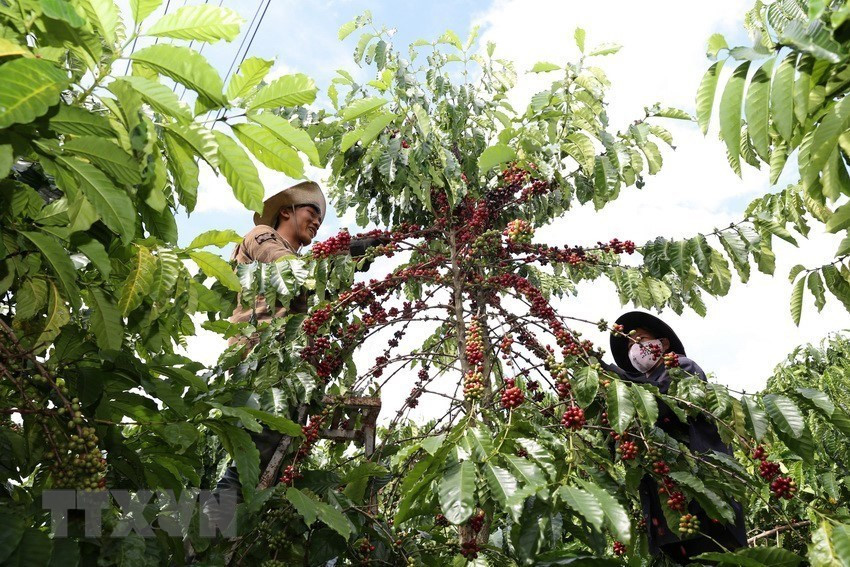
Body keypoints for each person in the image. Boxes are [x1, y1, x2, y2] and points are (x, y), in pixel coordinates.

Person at [210, 181, 381, 508]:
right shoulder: (261, 236)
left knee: (272, 464)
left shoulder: (306, 267)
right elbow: (290, 270)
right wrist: (348, 253)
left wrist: (352, 259)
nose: (317, 222)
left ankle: (227, 536)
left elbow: (315, 287)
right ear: (286, 211)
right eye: (311, 211)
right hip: (261, 361)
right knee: (252, 461)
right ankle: (205, 540)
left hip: (288, 369)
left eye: (320, 217)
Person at [602, 310, 747, 563]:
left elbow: (663, 402)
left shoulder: (680, 367)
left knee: (717, 554)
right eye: (629, 346)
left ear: (663, 343)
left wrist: (616, 377)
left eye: (641, 339)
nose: (635, 348)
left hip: (702, 497)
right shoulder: (630, 391)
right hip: (668, 504)